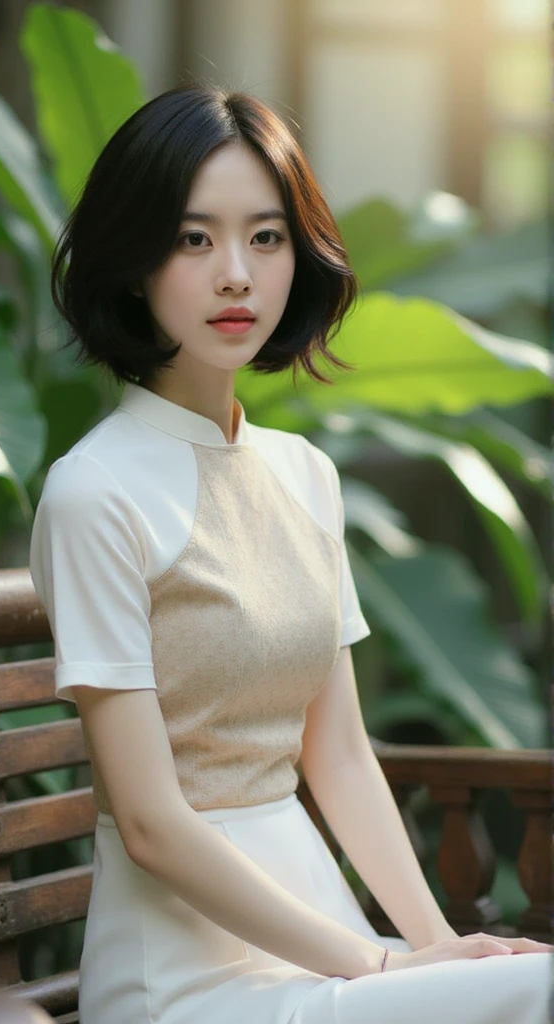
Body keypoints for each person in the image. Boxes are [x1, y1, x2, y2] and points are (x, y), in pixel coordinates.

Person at [28, 83, 552, 1024]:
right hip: (181, 982)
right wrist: (381, 968)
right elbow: (148, 826)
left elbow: (340, 754)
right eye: (195, 239)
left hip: (320, 947)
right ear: (135, 257)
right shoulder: (93, 492)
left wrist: (434, 949)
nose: (236, 273)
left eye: (265, 238)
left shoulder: (303, 474)